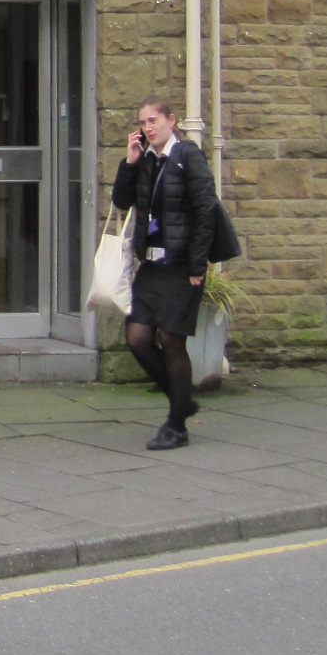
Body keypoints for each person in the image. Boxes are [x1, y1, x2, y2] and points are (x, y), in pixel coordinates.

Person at [111, 95, 219, 450]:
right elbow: (122, 202)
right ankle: (182, 399)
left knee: (172, 341)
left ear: (171, 120)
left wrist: (197, 264)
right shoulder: (145, 160)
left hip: (180, 265)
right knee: (138, 338)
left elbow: (206, 211)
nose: (148, 128)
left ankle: (176, 426)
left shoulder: (188, 156)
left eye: (153, 121)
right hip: (152, 265)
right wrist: (130, 163)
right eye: (143, 123)